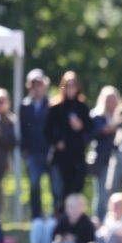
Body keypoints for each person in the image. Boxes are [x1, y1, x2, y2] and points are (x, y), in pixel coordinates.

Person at [45, 71, 93, 210]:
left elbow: (90, 130)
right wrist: (57, 142)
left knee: (76, 190)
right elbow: (47, 131)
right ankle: (59, 217)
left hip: (77, 157)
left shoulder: (82, 107)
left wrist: (81, 126)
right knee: (59, 193)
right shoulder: (55, 108)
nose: (71, 89)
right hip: (60, 158)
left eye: (74, 86)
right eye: (68, 86)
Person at [20, 68, 53, 218]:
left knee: (54, 186)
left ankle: (54, 216)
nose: (37, 88)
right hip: (33, 153)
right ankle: (36, 217)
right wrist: (24, 150)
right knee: (34, 186)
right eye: (33, 84)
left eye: (39, 84)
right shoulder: (25, 105)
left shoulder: (51, 104)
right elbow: (23, 130)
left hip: (49, 152)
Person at [89, 86, 120, 218]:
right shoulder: (97, 116)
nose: (111, 102)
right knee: (102, 194)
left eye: (113, 99)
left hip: (118, 159)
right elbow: (102, 130)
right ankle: (98, 219)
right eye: (108, 99)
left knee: (115, 193)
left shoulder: (120, 115)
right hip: (102, 161)